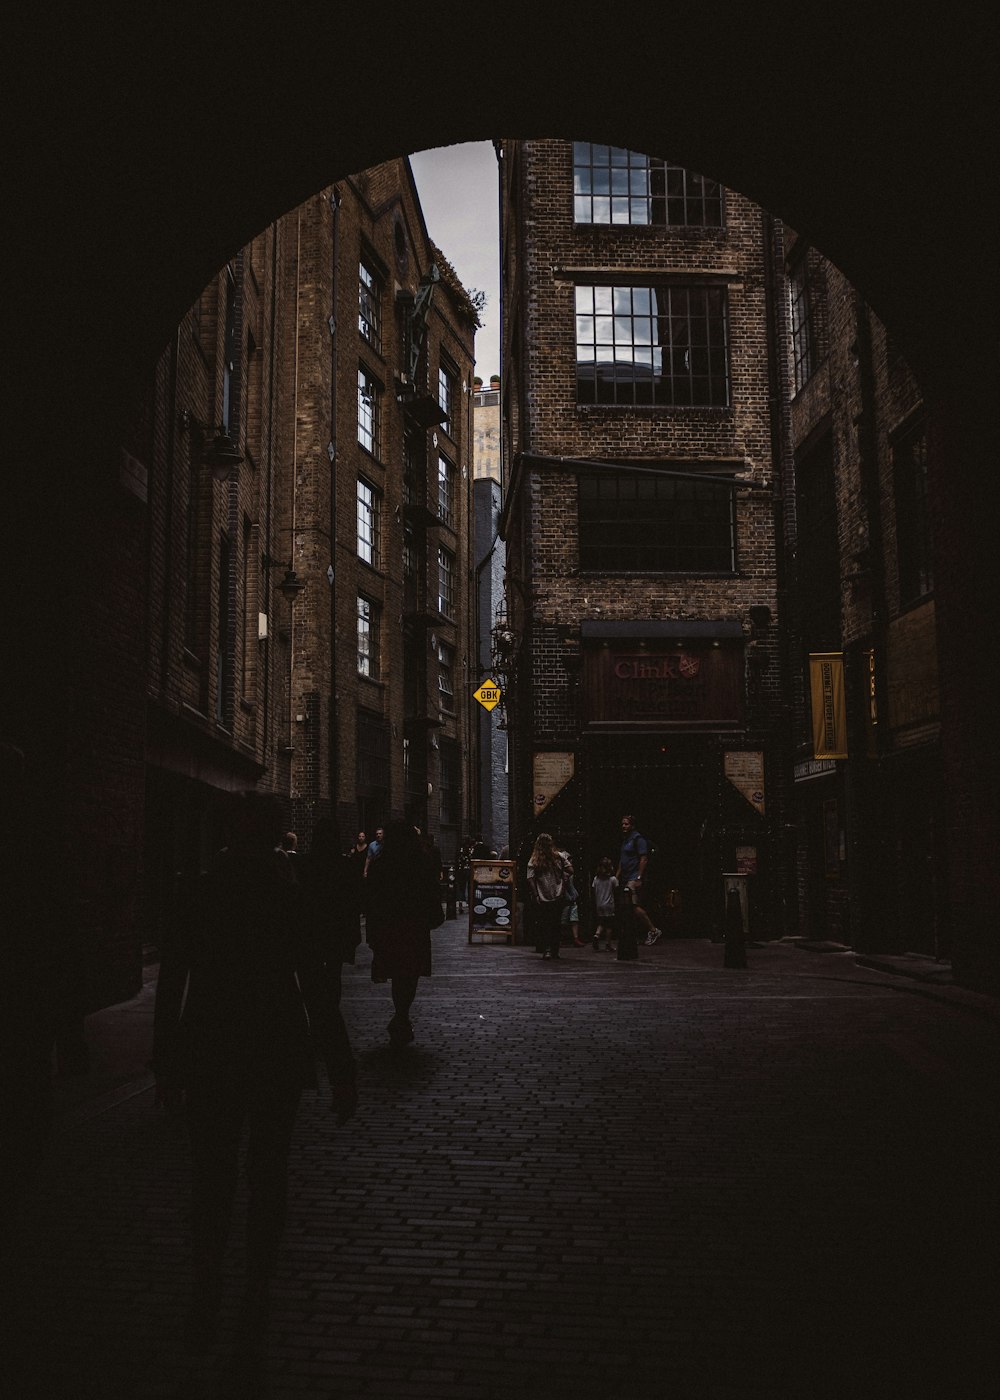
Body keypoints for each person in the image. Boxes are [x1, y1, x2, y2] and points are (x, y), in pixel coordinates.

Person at [152, 791, 357, 1348]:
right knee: (269, 1173)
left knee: (212, 1174)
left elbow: (172, 982)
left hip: (211, 1045)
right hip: (275, 1046)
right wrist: (341, 1067)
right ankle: (256, 1290)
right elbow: (316, 987)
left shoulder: (197, 891)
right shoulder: (287, 897)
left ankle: (206, 1283)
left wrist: (165, 1062)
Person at [364, 820, 439, 1047]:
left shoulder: (381, 864)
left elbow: (372, 900)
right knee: (410, 973)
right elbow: (431, 893)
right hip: (414, 926)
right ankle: (402, 1014)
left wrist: (372, 932)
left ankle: (401, 1015)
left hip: (390, 926)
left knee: (397, 971)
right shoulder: (421, 862)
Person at [298, 816, 362, 1005]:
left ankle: (317, 1010)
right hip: (337, 929)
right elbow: (353, 901)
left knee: (312, 971)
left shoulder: (304, 864)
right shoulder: (345, 866)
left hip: (311, 928)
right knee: (334, 973)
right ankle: (331, 1009)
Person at [616, 814, 663, 953]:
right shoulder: (625, 840)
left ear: (632, 825)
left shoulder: (638, 839)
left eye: (626, 824)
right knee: (627, 907)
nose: (623, 826)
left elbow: (644, 859)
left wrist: (639, 877)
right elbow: (622, 860)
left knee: (633, 905)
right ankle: (633, 934)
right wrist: (616, 877)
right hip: (625, 877)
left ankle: (653, 930)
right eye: (622, 824)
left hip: (632, 877)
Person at [526, 832, 573, 961]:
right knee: (556, 923)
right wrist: (562, 877)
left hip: (542, 894)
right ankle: (555, 950)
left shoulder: (534, 860)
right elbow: (570, 870)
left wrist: (535, 894)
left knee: (545, 923)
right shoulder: (559, 856)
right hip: (557, 893)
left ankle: (547, 950)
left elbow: (530, 878)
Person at [591, 855, 619, 951]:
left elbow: (594, 890)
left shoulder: (595, 879)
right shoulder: (612, 879)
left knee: (602, 922)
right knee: (609, 925)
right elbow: (616, 890)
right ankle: (608, 944)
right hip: (609, 904)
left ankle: (597, 934)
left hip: (599, 904)